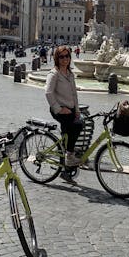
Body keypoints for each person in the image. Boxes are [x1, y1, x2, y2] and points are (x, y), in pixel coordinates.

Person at [45, 45, 83, 179]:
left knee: (74, 128)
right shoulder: (54, 74)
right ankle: (69, 156)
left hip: (70, 109)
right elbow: (48, 93)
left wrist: (77, 110)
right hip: (59, 109)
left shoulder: (70, 73)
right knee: (77, 126)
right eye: (62, 57)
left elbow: (74, 94)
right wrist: (59, 109)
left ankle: (66, 168)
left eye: (67, 56)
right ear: (57, 58)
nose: (65, 59)